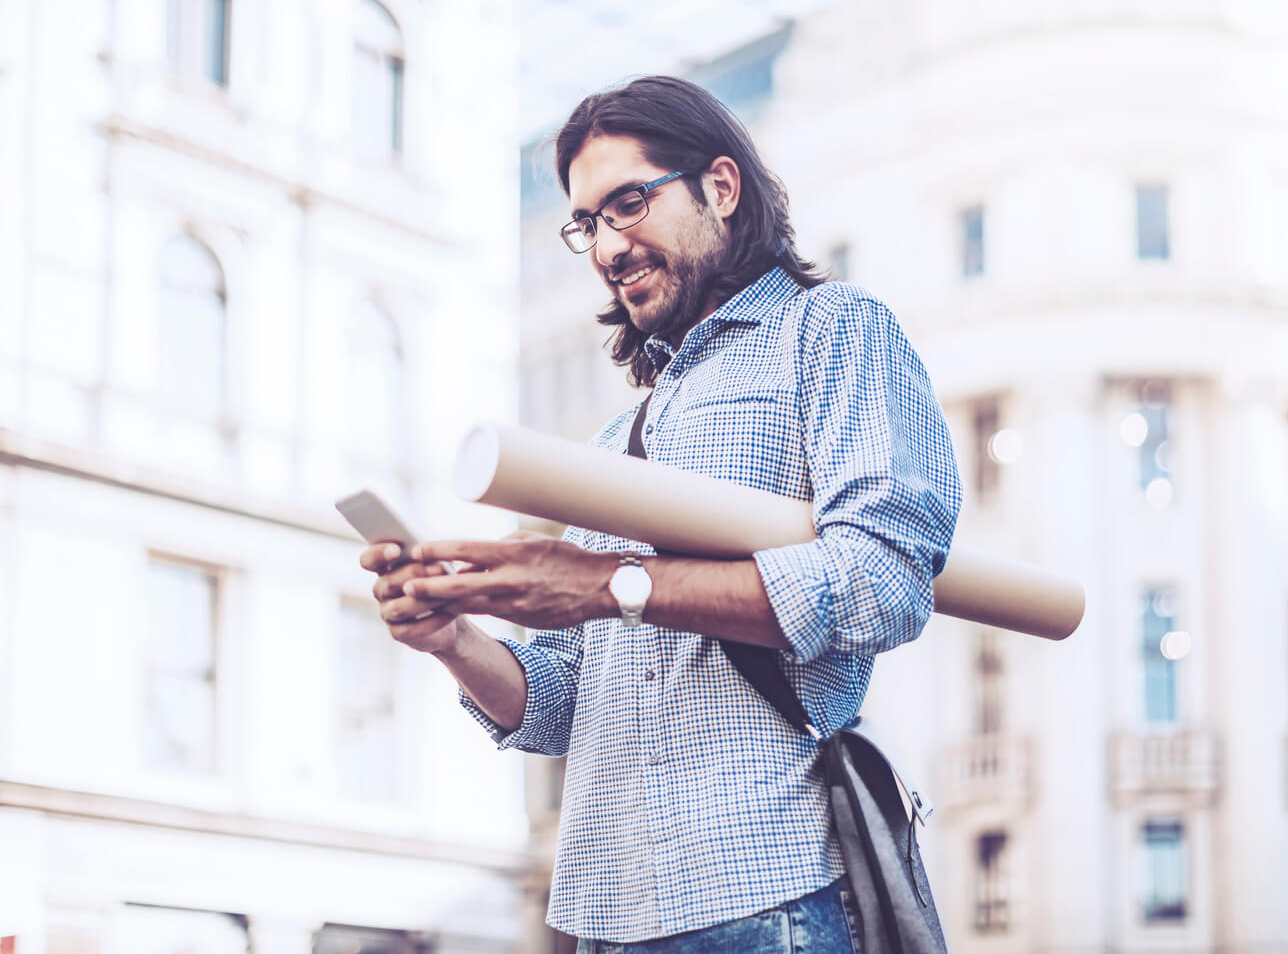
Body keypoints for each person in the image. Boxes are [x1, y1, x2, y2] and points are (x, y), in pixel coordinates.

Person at [360, 76, 962, 953]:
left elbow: (885, 580)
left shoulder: (834, 329)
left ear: (721, 186)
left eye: (628, 203)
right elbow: (563, 703)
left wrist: (610, 585)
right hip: (603, 914)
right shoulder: (615, 442)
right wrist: (453, 638)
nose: (607, 245)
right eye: (587, 223)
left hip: (765, 894)